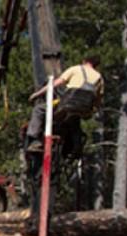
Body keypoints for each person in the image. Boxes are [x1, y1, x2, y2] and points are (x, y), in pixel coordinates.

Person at [24, 56, 104, 219]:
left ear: (84, 61)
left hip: (67, 105)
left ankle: (33, 139)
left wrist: (36, 94)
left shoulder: (75, 69)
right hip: (82, 109)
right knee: (73, 122)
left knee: (39, 110)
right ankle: (75, 146)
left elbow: (55, 84)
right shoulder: (99, 78)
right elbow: (98, 99)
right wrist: (92, 111)